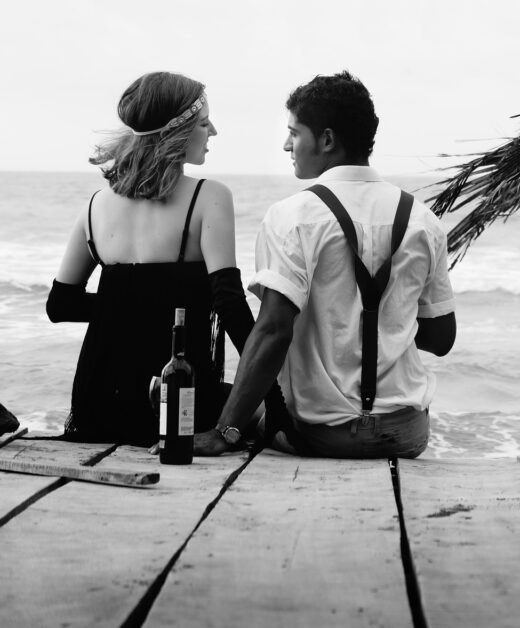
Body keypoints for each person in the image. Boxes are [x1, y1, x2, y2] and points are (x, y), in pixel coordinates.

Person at [194, 72, 456, 458]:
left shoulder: (292, 216)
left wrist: (225, 431)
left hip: (320, 436)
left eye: (295, 133)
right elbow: (440, 338)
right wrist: (381, 323)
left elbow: (273, 333)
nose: (287, 144)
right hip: (407, 433)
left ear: (327, 140)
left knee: (219, 404)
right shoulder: (422, 219)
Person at [47, 71, 286, 446]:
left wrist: (127, 304)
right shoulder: (209, 197)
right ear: (179, 132)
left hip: (98, 402)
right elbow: (230, 305)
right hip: (180, 402)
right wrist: (276, 402)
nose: (215, 132)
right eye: (205, 123)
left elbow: (60, 305)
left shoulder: (95, 206)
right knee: (258, 419)